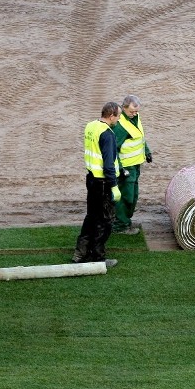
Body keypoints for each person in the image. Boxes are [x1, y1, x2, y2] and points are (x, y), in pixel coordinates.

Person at [73, 102, 122, 267]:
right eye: (118, 116)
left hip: (91, 179)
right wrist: (114, 185)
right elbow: (108, 164)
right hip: (103, 183)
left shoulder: (91, 126)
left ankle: (80, 253)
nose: (119, 119)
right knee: (105, 221)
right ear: (111, 116)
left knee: (91, 217)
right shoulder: (107, 134)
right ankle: (98, 258)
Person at [112, 94, 152, 235]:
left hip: (135, 166)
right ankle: (120, 226)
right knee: (126, 197)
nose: (134, 114)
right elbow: (113, 150)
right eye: (131, 111)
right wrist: (121, 168)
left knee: (133, 196)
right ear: (123, 108)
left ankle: (123, 221)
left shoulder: (135, 118)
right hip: (126, 168)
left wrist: (146, 151)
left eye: (136, 111)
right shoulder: (120, 126)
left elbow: (139, 137)